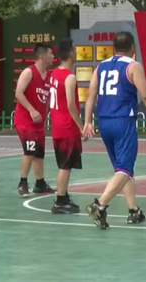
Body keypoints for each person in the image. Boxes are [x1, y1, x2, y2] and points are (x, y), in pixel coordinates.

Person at [82, 32, 146, 229]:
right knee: (125, 168)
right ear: (133, 48)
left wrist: (87, 121)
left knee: (122, 169)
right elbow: (145, 95)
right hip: (123, 121)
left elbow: (91, 95)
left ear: (113, 48)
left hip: (104, 122)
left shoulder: (101, 67)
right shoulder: (133, 66)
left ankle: (133, 210)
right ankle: (100, 205)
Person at [14, 43, 55, 197]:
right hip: (25, 121)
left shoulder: (49, 75)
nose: (53, 57)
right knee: (30, 151)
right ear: (42, 56)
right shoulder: (29, 72)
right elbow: (19, 93)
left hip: (39, 122)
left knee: (39, 153)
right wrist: (31, 110)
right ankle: (22, 183)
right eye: (50, 54)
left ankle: (40, 183)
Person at [49, 39, 85, 214]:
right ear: (70, 53)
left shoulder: (55, 74)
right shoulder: (69, 77)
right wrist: (82, 127)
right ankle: (60, 201)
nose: (76, 53)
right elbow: (71, 105)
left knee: (64, 165)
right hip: (67, 127)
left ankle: (63, 196)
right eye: (75, 50)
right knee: (65, 167)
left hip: (57, 126)